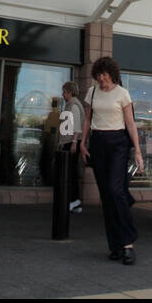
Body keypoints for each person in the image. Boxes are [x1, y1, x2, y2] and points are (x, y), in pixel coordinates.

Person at [80, 56, 143, 264]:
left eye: (104, 75)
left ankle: (128, 244)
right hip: (98, 142)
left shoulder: (122, 93)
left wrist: (137, 151)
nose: (101, 78)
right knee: (106, 196)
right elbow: (88, 119)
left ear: (112, 74)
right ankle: (115, 246)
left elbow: (131, 124)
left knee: (116, 190)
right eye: (98, 75)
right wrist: (83, 142)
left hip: (118, 143)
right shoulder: (93, 91)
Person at [59, 81, 86, 212]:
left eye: (64, 92)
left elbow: (77, 126)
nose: (63, 94)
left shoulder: (73, 105)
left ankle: (74, 199)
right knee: (71, 171)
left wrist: (74, 142)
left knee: (70, 172)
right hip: (70, 141)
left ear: (70, 92)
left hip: (71, 142)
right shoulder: (72, 104)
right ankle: (75, 203)